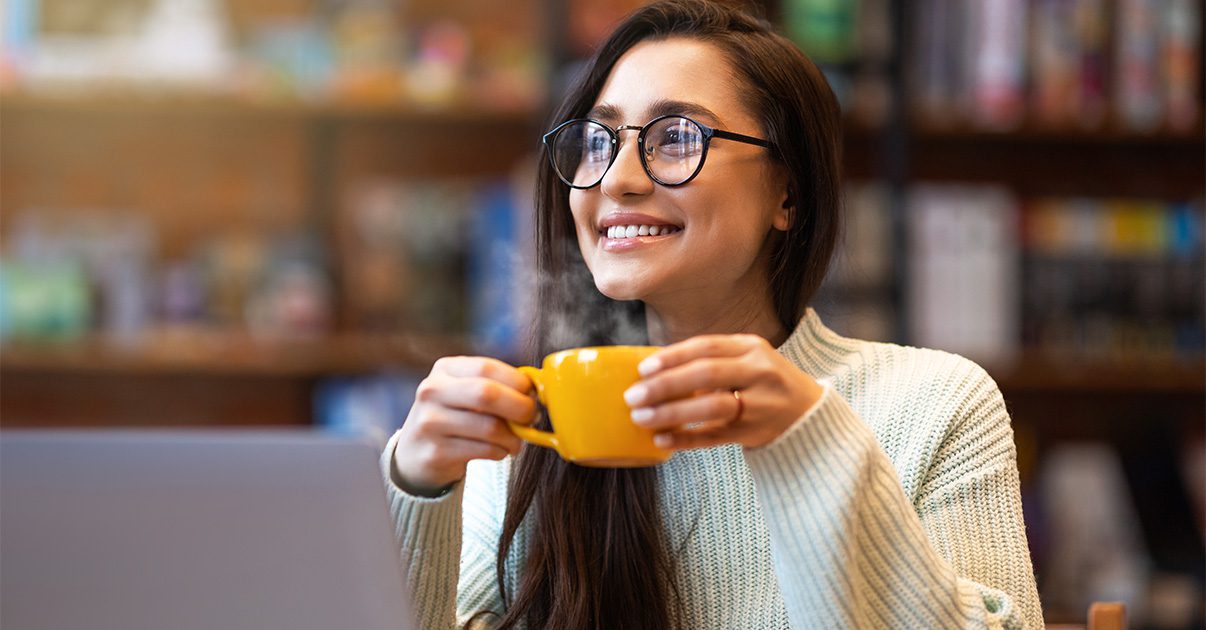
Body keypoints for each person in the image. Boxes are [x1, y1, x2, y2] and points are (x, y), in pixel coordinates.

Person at [382, 1, 1043, 628]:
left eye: (676, 137)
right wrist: (418, 489)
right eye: (597, 140)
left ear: (787, 190)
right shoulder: (534, 432)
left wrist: (810, 445)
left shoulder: (937, 405)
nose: (616, 180)